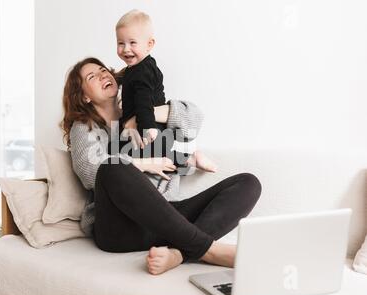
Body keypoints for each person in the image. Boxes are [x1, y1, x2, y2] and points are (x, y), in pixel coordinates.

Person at [62, 57, 262, 275]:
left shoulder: (142, 113)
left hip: (165, 219)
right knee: (112, 168)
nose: (102, 75)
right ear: (84, 96)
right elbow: (90, 172)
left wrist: (144, 113)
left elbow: (194, 119)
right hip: (119, 228)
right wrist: (144, 164)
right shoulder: (84, 127)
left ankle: (178, 254)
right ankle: (209, 250)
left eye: (103, 70)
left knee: (248, 183)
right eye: (92, 76)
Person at [115, 9, 217, 172]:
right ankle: (189, 159)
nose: (126, 49)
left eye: (132, 43)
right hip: (148, 124)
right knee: (132, 153)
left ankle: (191, 158)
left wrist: (147, 127)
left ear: (149, 45)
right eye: (121, 43)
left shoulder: (142, 71)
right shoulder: (137, 69)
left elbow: (144, 100)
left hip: (149, 124)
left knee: (148, 154)